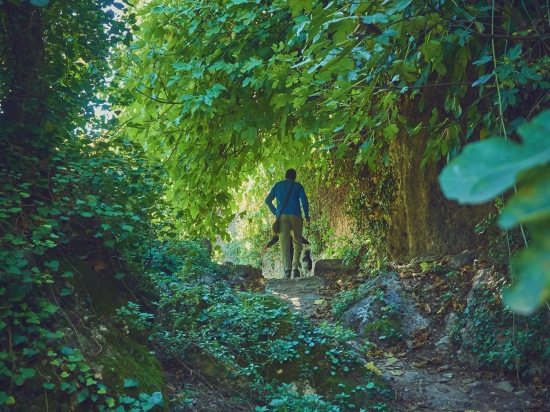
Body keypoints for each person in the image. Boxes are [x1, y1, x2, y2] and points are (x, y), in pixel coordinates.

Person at [265, 169, 310, 278]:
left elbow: (267, 201)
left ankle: (287, 270)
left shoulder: (277, 185)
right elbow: (304, 201)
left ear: (285, 176)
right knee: (297, 242)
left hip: (282, 217)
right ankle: (295, 269)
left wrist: (276, 212)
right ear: (295, 177)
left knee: (284, 244)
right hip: (296, 216)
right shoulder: (298, 186)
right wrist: (307, 215)